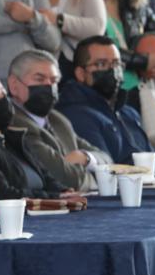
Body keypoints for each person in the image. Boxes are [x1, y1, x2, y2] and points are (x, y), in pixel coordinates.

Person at [57, 37, 155, 178]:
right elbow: (104, 170)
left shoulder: (128, 113)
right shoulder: (75, 115)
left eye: (116, 63)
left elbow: (153, 161)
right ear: (81, 74)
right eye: (101, 64)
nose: (112, 70)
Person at [6, 50, 111, 192]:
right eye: (39, 79)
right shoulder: (15, 124)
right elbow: (66, 180)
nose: (49, 86)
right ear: (14, 85)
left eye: (54, 81)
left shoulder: (58, 119)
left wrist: (85, 157)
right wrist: (93, 175)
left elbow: (108, 161)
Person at [0, 70, 68, 200]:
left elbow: (45, 175)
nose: (4, 102)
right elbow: (3, 193)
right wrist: (55, 197)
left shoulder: (12, 137)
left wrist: (64, 192)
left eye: (4, 95)